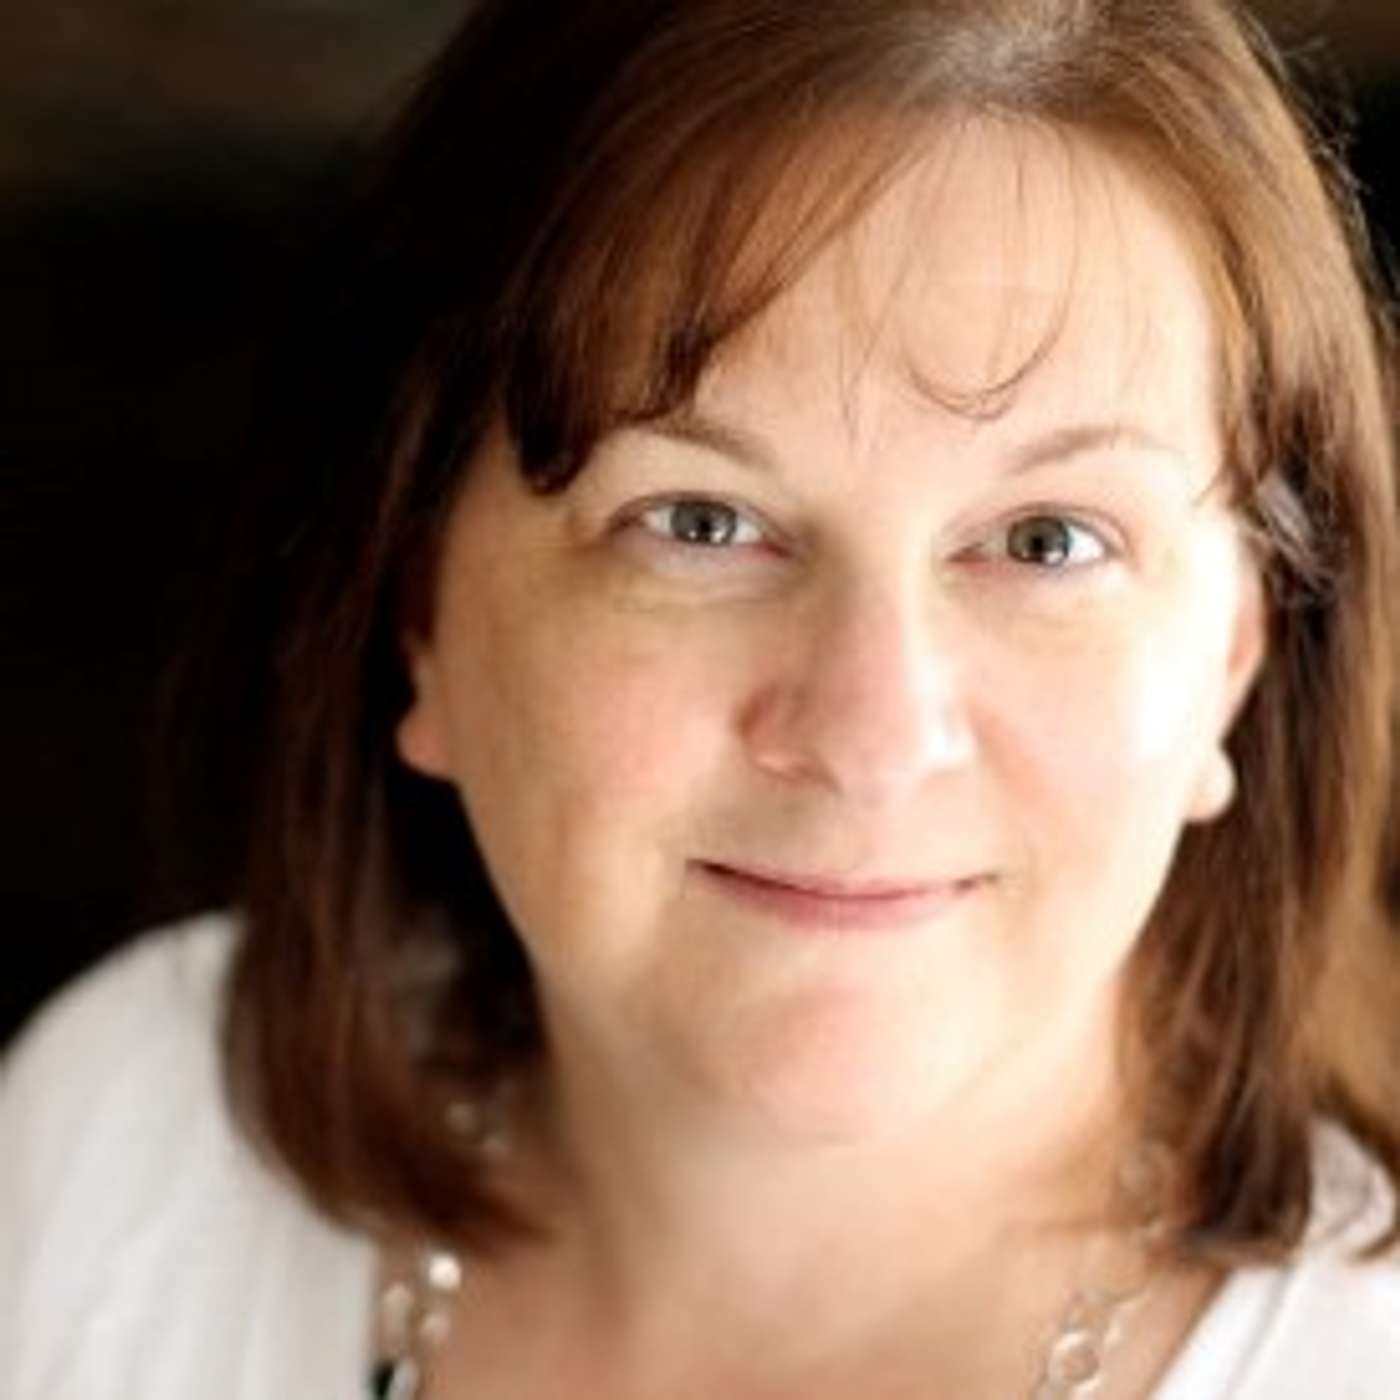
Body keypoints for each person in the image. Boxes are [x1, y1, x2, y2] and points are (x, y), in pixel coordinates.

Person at [4, 0, 1400, 1395]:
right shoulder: (138, 1135)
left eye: (1048, 541)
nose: (870, 738)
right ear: (416, 608)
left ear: (1239, 649)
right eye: (699, 522)